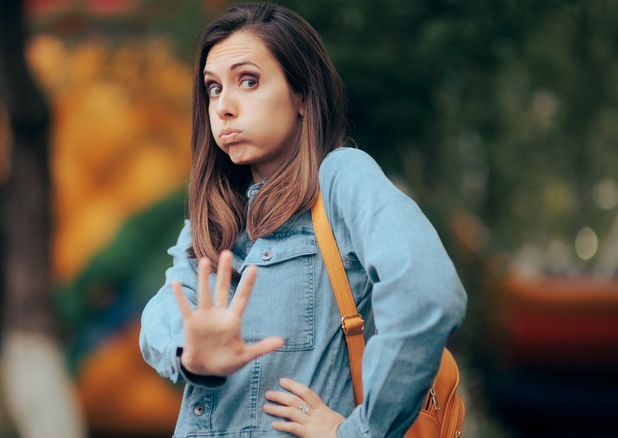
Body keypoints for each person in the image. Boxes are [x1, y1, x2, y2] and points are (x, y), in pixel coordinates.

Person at [139, 2, 467, 437]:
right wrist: (191, 352)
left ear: (302, 96)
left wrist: (361, 431)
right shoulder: (216, 214)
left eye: (248, 81)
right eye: (214, 88)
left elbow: (428, 292)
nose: (223, 107)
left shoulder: (340, 179)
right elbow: (167, 308)